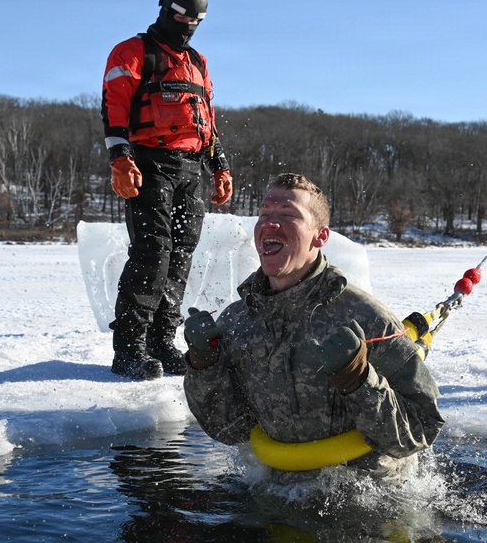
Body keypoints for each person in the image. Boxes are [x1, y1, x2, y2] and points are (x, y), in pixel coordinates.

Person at [183, 173, 444, 483]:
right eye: (265, 213)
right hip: (277, 494)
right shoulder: (237, 322)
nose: (271, 222)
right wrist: (204, 364)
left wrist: (359, 379)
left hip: (372, 502)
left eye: (288, 215)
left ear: (320, 237)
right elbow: (229, 428)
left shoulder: (365, 318)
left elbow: (421, 429)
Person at [101, 0, 233, 381]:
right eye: (183, 16)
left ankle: (162, 341)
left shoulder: (198, 62)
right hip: (150, 164)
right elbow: (114, 108)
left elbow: (206, 121)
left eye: (197, 19)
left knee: (180, 256)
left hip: (191, 168)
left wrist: (219, 165)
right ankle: (130, 347)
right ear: (164, 9)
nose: (189, 24)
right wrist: (120, 158)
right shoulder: (133, 52)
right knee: (152, 252)